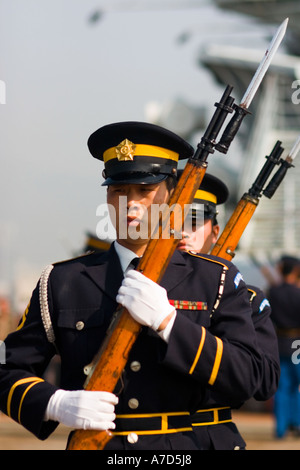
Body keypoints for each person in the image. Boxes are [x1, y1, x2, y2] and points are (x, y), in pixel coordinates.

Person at [0, 121, 262, 450]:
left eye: (144, 190)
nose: (131, 204)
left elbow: (251, 376)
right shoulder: (63, 281)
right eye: (119, 191)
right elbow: (7, 368)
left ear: (172, 196)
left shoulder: (214, 278)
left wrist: (170, 324)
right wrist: (55, 403)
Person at [176, 170, 280, 449]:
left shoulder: (245, 298)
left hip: (211, 438)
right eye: (173, 220)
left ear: (215, 231)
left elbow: (265, 382)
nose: (183, 231)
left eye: (195, 221)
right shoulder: (142, 290)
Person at [268, 255, 300, 438]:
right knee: (297, 385)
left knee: (281, 386)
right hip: (297, 343)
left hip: (279, 342)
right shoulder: (297, 293)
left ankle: (280, 429)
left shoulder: (274, 291)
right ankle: (296, 424)